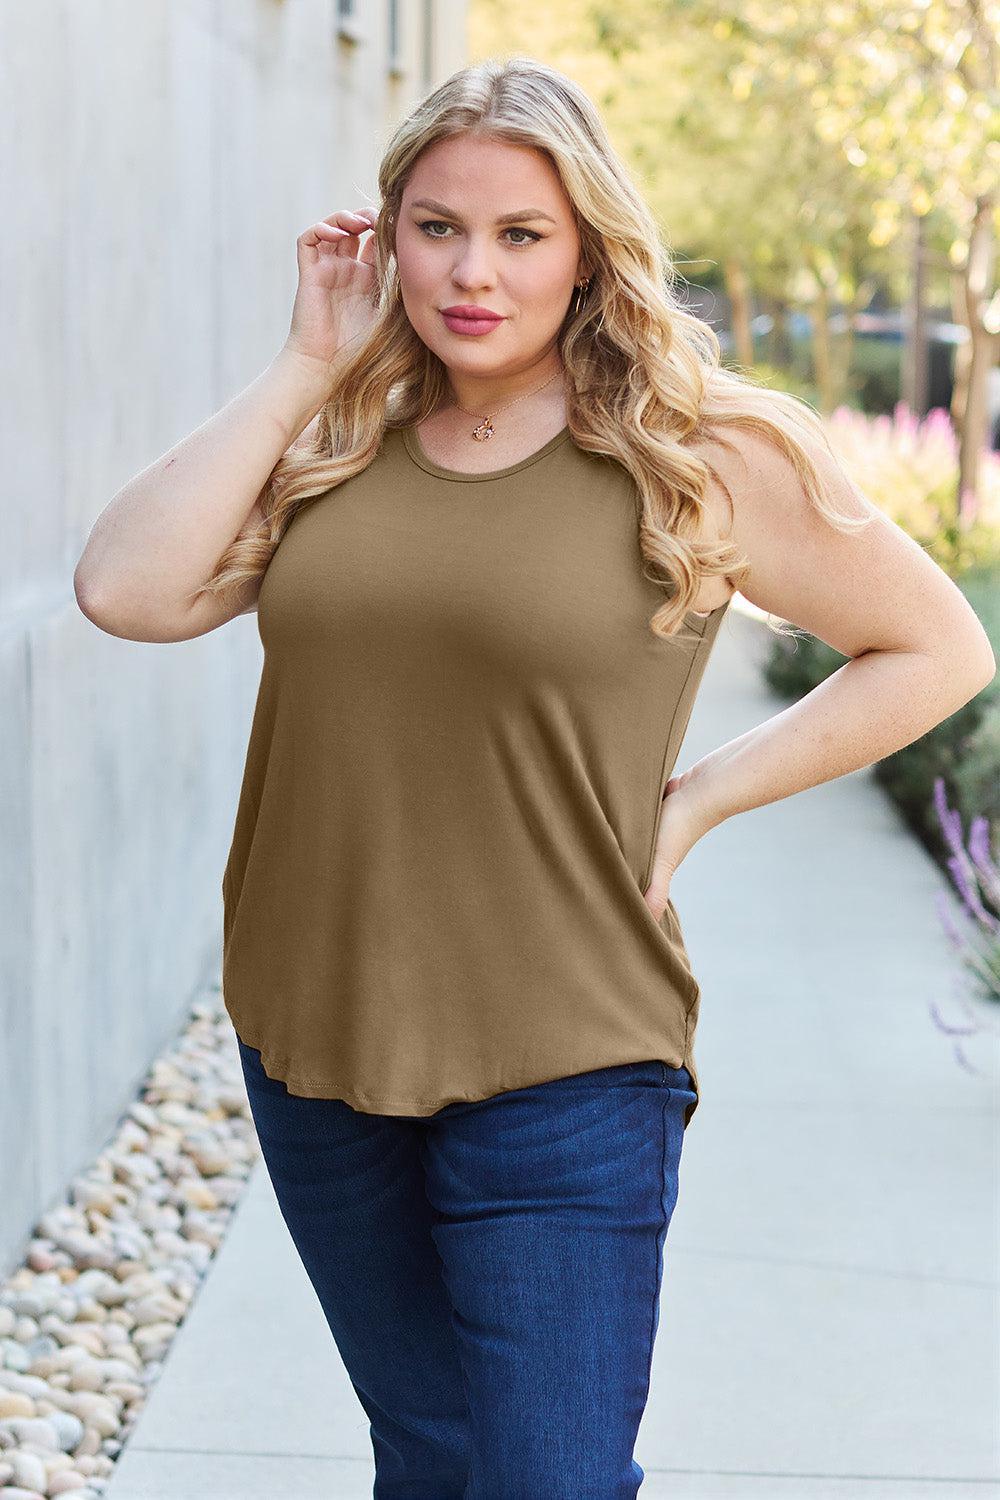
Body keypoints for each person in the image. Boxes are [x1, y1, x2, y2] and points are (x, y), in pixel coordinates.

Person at [74, 53, 994, 1500]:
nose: (472, 274)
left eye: (520, 235)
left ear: (587, 253)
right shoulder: (336, 436)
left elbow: (934, 648)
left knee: (549, 1481)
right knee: (433, 1459)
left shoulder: (701, 449)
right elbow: (124, 589)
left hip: (571, 1053)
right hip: (317, 1037)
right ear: (386, 241)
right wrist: (305, 364)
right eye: (436, 228)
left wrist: (697, 797)